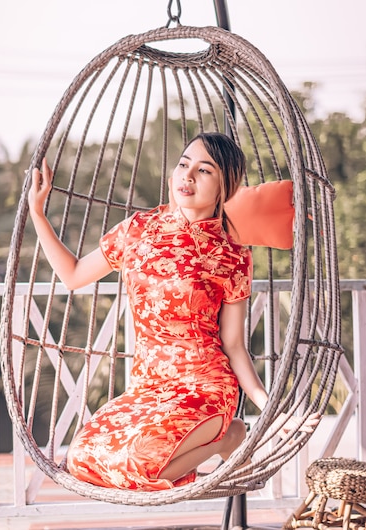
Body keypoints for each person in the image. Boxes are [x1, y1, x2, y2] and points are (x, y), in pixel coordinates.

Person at [28, 132, 319, 491]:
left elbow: (233, 344)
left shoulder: (231, 254)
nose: (187, 176)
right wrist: (37, 213)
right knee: (82, 458)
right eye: (183, 164)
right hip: (148, 387)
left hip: (205, 388)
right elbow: (72, 275)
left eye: (204, 170)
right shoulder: (138, 230)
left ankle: (228, 438)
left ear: (225, 188)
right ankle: (223, 440)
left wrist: (268, 406)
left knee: (140, 466)